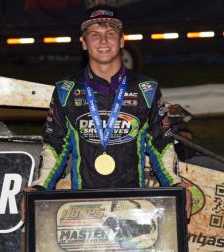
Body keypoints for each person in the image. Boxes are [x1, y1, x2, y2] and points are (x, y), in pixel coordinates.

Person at [24, 5, 190, 217]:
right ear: (83, 43)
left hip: (133, 205)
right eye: (95, 34)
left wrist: (176, 184)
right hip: (82, 207)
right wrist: (40, 187)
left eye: (110, 34)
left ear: (122, 40)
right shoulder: (66, 90)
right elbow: (55, 145)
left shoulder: (146, 89)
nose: (103, 41)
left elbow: (161, 144)